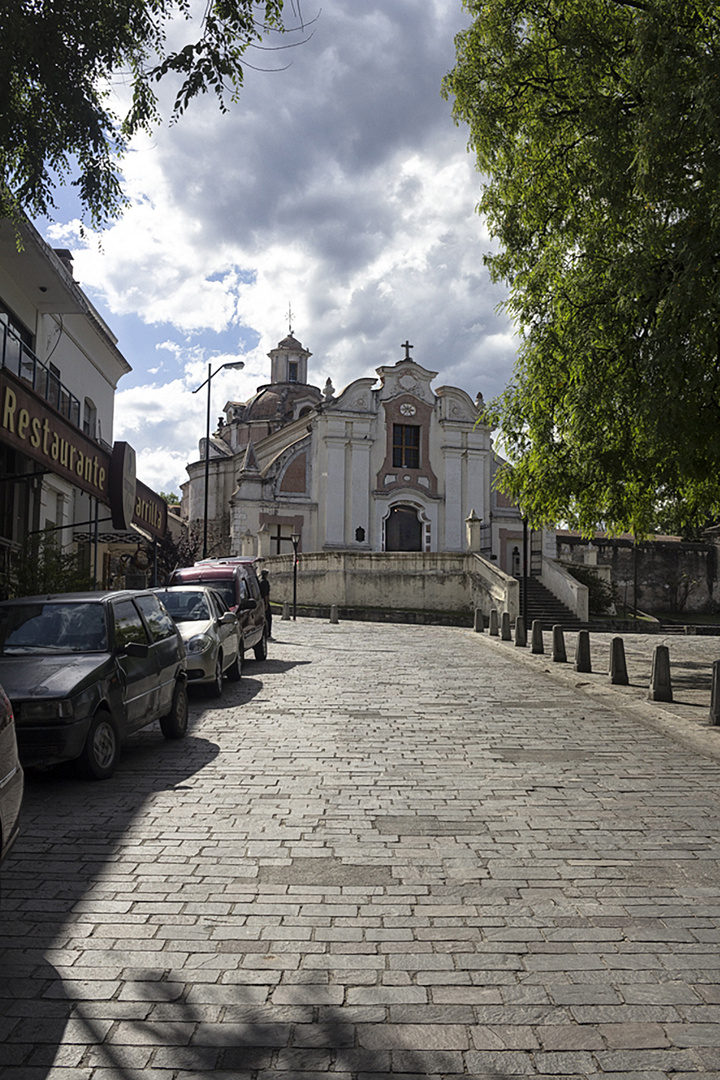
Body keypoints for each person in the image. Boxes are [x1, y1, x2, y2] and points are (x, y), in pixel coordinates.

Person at [259, 569, 272, 638]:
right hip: (264, 601)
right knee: (268, 618)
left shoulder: (259, 582)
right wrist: (266, 603)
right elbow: (266, 594)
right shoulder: (265, 583)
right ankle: (268, 632)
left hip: (260, 601)